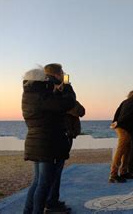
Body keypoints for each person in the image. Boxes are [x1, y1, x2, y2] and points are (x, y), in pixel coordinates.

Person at [22, 64, 76, 214]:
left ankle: (28, 211)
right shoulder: (41, 96)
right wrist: (67, 86)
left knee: (37, 182)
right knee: (44, 184)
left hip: (36, 142)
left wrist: (56, 92)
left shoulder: (30, 95)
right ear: (40, 80)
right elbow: (68, 103)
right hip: (47, 144)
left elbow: (51, 111)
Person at [46, 81, 85, 213]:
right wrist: (69, 97)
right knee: (54, 171)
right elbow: (78, 110)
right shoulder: (58, 98)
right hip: (63, 135)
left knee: (56, 171)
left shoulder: (55, 98)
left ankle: (52, 200)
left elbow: (81, 111)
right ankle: (51, 202)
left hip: (66, 134)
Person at [109, 88, 133, 183]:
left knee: (128, 149)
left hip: (122, 126)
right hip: (123, 127)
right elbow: (132, 114)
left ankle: (123, 172)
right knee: (121, 150)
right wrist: (120, 122)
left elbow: (117, 112)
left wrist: (115, 122)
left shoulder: (125, 101)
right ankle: (113, 175)